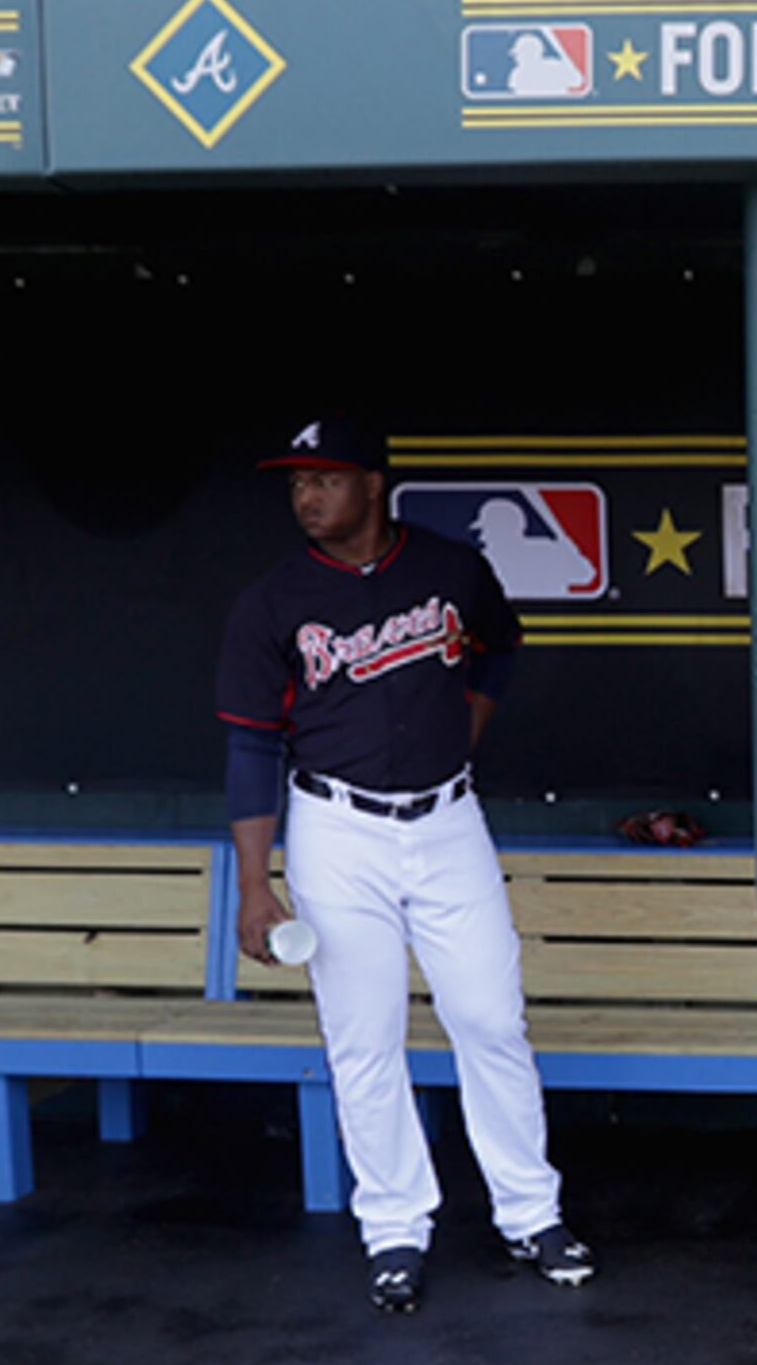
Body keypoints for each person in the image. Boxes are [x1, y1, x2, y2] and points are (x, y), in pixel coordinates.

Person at [218, 411, 594, 1313]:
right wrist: (256, 885)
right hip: (336, 828)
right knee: (363, 1037)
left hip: (448, 822)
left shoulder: (449, 568)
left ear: (372, 483)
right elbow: (249, 748)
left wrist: (466, 724)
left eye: (326, 478)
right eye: (297, 482)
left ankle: (529, 1211)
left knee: (490, 1017)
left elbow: (501, 647)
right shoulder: (270, 601)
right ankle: (393, 1227)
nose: (308, 495)